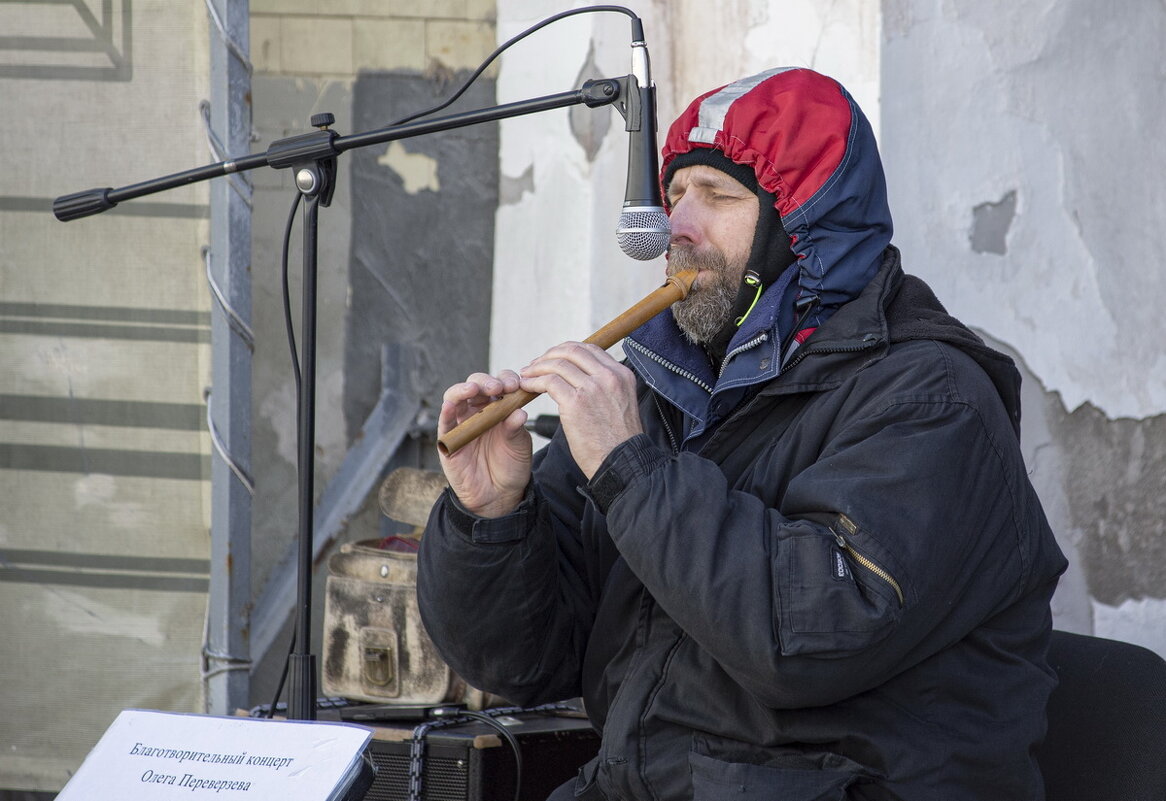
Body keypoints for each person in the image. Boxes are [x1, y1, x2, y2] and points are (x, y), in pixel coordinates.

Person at [417, 67, 1068, 801]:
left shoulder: (932, 398)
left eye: (718, 197)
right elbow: (521, 662)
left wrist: (631, 468)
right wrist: (493, 517)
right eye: (675, 196)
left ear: (802, 232)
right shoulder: (659, 388)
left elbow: (808, 637)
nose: (678, 226)